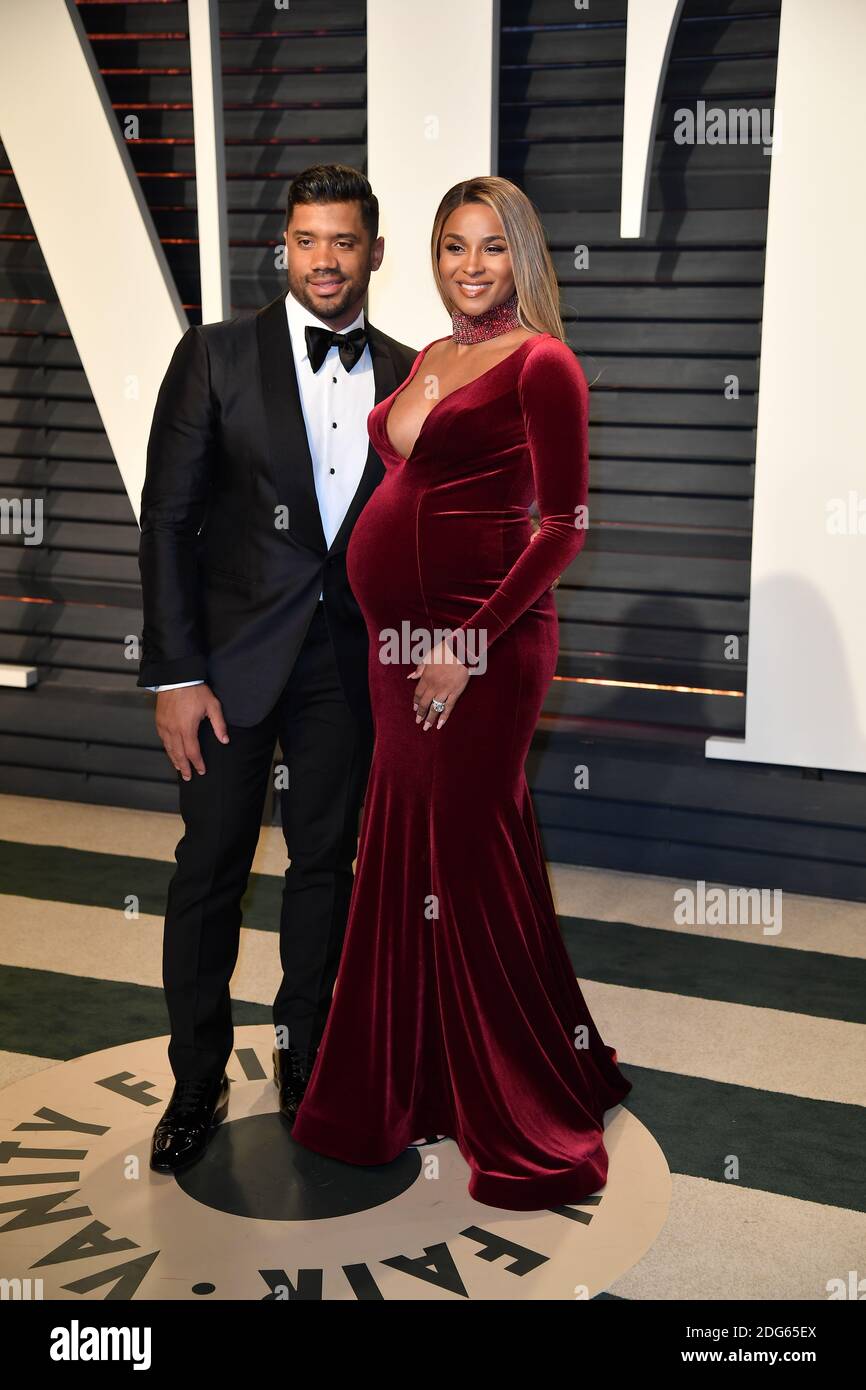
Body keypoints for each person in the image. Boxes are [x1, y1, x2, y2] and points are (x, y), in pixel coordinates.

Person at [292, 176, 632, 1211]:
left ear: (519, 257)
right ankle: (411, 1079)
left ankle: (522, 1100)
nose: (470, 266)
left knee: (467, 865)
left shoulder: (544, 365)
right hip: (399, 652)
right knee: (411, 854)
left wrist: (465, 644)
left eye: (490, 247)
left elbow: (561, 524)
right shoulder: (433, 355)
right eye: (452, 247)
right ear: (429, 256)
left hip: (480, 654)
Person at [137, 164, 417, 1173]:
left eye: (344, 241)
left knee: (325, 872)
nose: (325, 260)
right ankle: (195, 1080)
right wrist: (173, 674)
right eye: (307, 240)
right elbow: (167, 520)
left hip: (342, 669)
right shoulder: (213, 356)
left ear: (373, 252)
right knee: (208, 872)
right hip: (222, 671)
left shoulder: (405, 371)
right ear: (283, 247)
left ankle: (308, 1063)